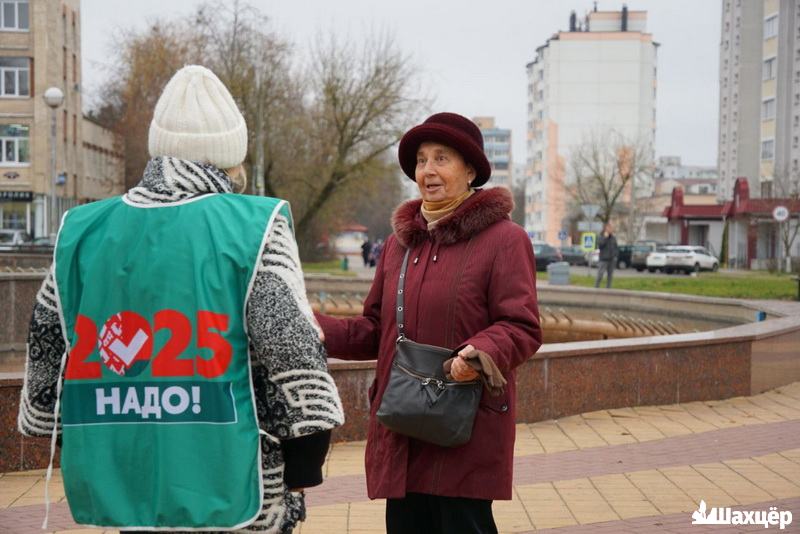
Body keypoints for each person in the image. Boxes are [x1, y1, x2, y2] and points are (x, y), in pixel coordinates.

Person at [17, 65, 343, 533]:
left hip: (121, 468)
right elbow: (289, 343)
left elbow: (49, 334)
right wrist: (307, 454)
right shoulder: (253, 226)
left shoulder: (83, 230)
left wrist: (52, 423)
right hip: (231, 472)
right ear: (232, 153)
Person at [316, 112, 542, 534]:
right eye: (421, 160)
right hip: (404, 425)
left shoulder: (505, 240)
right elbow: (375, 330)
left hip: (466, 425)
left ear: (470, 169)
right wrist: (316, 328)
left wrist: (481, 353)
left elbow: (522, 325)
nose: (428, 171)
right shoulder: (399, 246)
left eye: (442, 158)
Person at [595, 222, 619, 288]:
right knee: (600, 275)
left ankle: (608, 289)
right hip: (603, 259)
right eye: (610, 228)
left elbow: (616, 247)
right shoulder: (601, 236)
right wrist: (605, 238)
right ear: (606, 228)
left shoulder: (613, 238)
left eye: (612, 228)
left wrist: (615, 256)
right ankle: (596, 287)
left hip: (611, 260)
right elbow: (600, 245)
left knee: (610, 276)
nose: (611, 229)